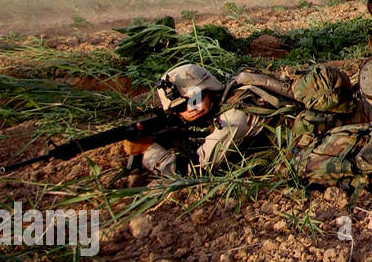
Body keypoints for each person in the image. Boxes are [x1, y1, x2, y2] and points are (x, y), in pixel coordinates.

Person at [123, 63, 296, 177]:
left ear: (210, 89)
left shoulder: (233, 117)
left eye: (195, 99)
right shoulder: (229, 94)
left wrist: (149, 151)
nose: (191, 109)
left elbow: (195, 171)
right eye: (179, 108)